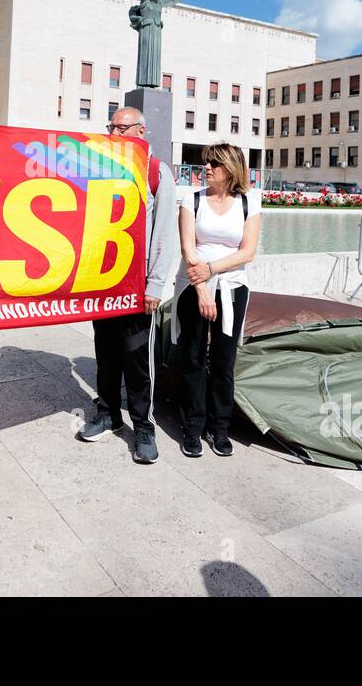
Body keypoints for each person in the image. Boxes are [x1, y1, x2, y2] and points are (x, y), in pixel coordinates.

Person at [77, 106, 177, 464]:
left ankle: (143, 427)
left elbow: (165, 232)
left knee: (137, 360)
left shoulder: (155, 172)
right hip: (102, 283)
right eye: (111, 128)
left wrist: (155, 285)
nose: (115, 134)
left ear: (141, 131)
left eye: (122, 128)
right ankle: (107, 413)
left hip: (137, 288)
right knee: (105, 353)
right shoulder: (99, 169)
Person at [174, 143, 261, 458]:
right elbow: (188, 249)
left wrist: (210, 270)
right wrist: (201, 287)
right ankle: (193, 428)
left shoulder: (249, 203)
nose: (206, 167)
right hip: (193, 288)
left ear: (231, 168)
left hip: (233, 287)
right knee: (193, 359)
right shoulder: (191, 200)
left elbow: (247, 252)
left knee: (224, 361)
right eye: (206, 162)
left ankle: (219, 428)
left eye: (214, 163)